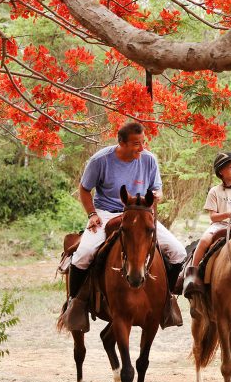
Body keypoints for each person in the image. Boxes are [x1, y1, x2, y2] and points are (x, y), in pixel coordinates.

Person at [59, 122, 186, 331]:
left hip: (140, 212)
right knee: (83, 254)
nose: (142, 147)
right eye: (136, 143)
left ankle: (168, 299)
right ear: (121, 143)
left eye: (143, 142)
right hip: (107, 213)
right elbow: (84, 190)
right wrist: (92, 214)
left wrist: (157, 196)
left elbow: (158, 190)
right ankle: (75, 303)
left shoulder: (149, 160)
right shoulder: (101, 160)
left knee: (178, 251)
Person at [181, 151, 231, 298]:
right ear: (221, 171)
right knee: (205, 240)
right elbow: (213, 217)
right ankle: (193, 272)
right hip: (220, 225)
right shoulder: (214, 191)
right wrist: (228, 214)